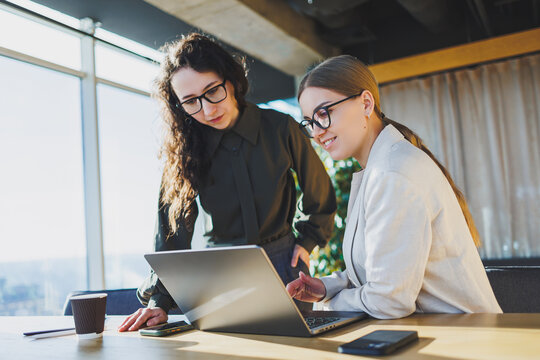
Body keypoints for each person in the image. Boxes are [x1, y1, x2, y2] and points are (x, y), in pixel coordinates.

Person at [118, 34, 336, 331]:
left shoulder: (280, 128)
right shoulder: (183, 151)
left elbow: (319, 193)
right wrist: (159, 302)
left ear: (230, 80)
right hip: (219, 276)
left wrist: (307, 241)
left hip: (284, 267)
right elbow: (171, 235)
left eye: (212, 91)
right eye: (191, 102)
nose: (207, 110)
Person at [286, 55, 502, 319]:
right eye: (309, 121)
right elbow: (378, 270)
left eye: (324, 113)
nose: (317, 131)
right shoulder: (380, 167)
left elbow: (388, 301)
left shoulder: (392, 173)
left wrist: (326, 307)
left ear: (366, 103)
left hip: (465, 338)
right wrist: (326, 287)